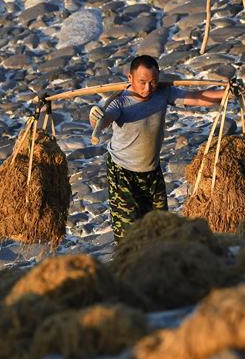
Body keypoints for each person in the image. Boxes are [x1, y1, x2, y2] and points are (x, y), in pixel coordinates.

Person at [88, 55, 231, 243]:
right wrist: (95, 117)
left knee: (161, 228)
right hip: (123, 173)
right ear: (130, 78)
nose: (148, 88)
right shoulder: (119, 102)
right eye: (142, 82)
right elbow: (103, 121)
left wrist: (227, 92)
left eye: (152, 82)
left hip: (151, 171)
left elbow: (198, 98)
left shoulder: (163, 93)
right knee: (129, 235)